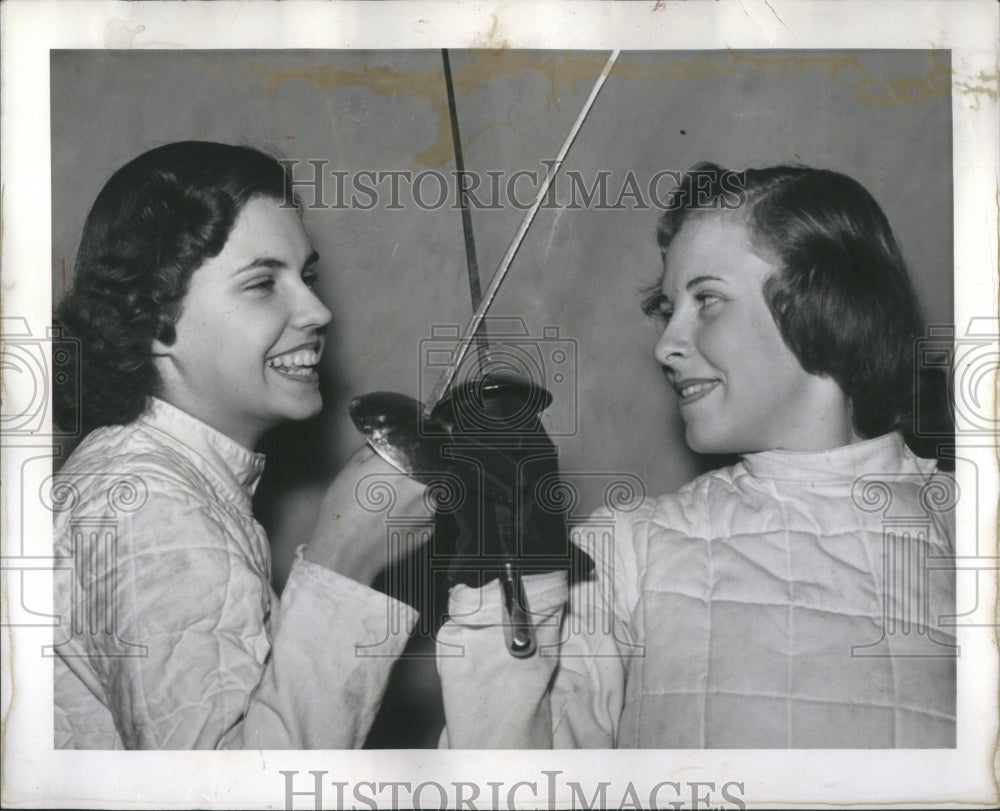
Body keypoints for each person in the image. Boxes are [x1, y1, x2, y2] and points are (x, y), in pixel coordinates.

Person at [437, 163, 956, 748]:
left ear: (826, 302)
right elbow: (516, 780)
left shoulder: (972, 531)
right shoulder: (624, 549)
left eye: (706, 299)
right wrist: (512, 580)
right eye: (667, 309)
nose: (664, 345)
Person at [51, 141, 428, 749]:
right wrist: (344, 561)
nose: (319, 310)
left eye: (307, 277)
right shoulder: (153, 507)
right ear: (153, 321)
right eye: (262, 284)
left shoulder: (161, 481)